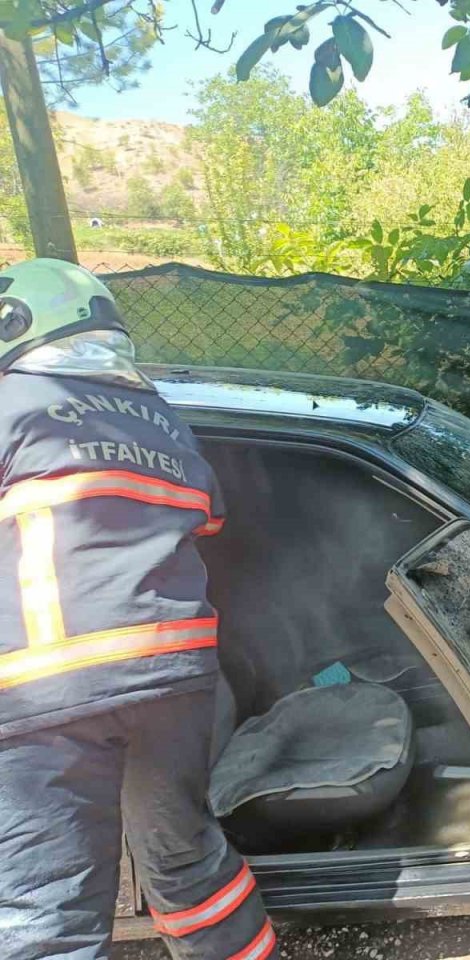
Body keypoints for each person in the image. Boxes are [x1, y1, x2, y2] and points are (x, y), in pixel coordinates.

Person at [0, 259, 277, 959]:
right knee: (186, 859)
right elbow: (208, 520)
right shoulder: (163, 421)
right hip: (175, 679)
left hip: (50, 688)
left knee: (46, 905)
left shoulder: (11, 405)